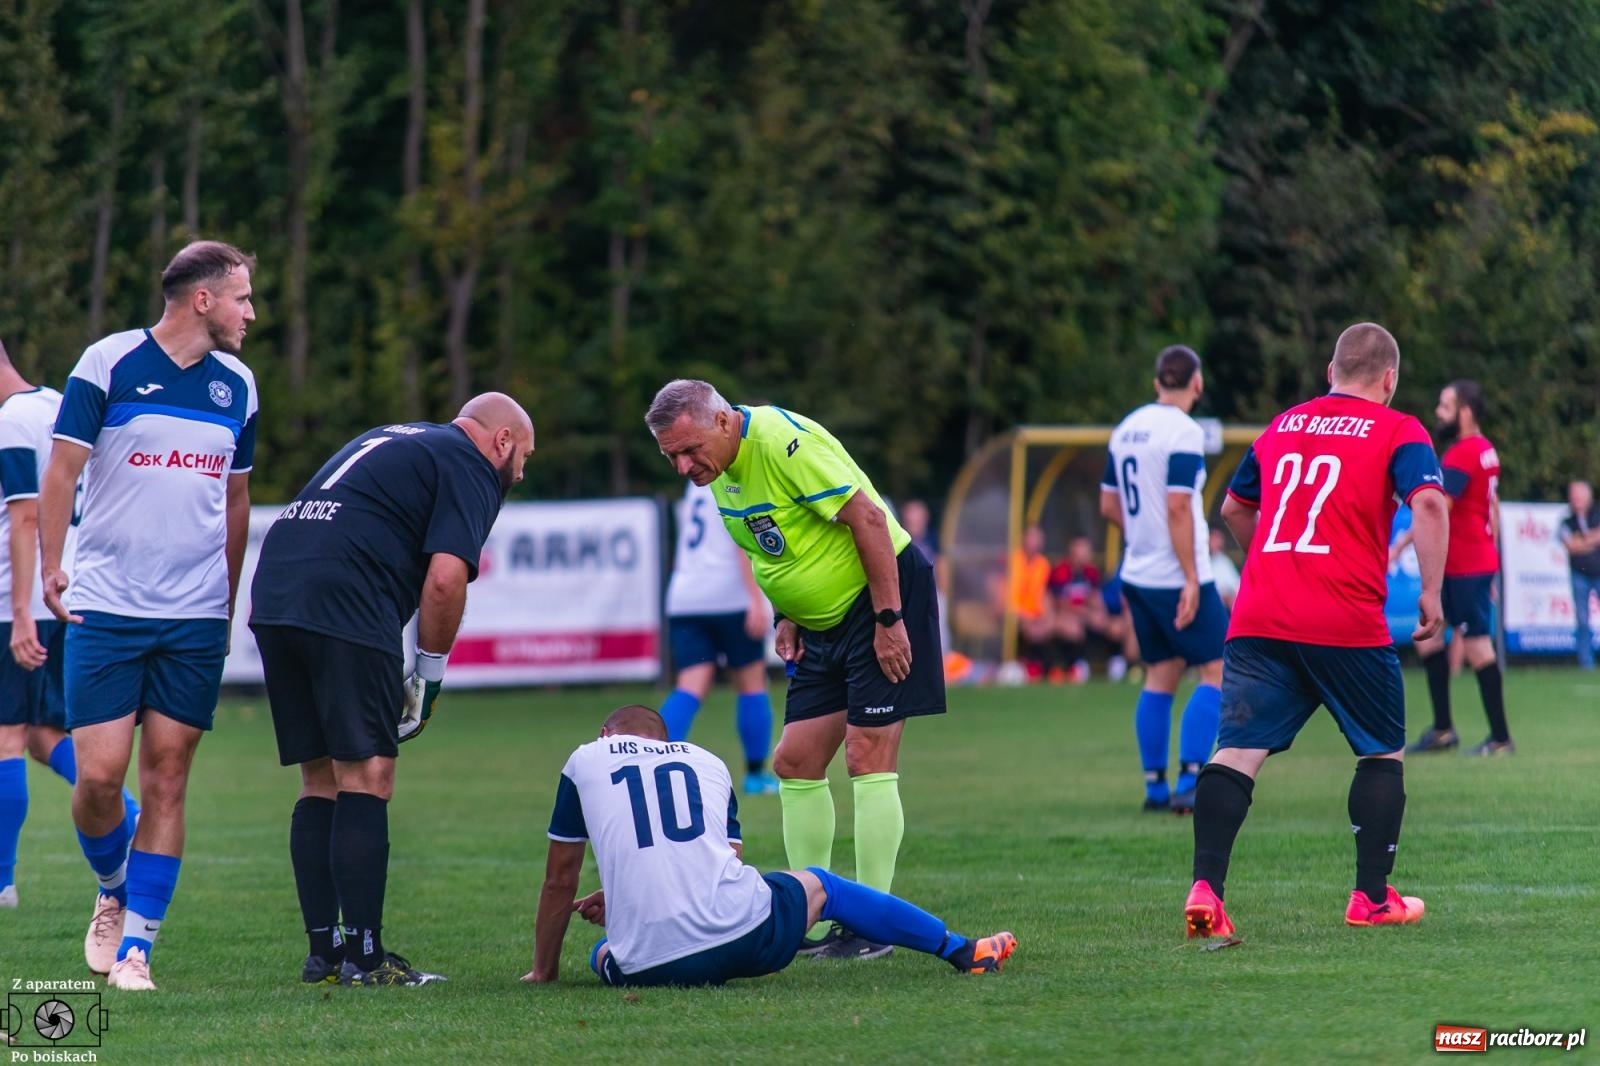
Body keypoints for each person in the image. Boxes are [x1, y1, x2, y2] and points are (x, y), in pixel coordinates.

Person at [645, 380, 944, 960]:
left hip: (877, 599)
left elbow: (868, 520)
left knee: (867, 755)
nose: (683, 466)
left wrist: (889, 618)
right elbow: (772, 549)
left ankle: (872, 924)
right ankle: (806, 918)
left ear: (724, 422)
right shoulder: (720, 472)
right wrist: (788, 614)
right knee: (795, 761)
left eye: (688, 450)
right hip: (819, 624)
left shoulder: (783, 443)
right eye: (670, 457)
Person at [248, 393, 534, 988]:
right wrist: (428, 677)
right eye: (523, 457)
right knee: (369, 775)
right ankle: (366, 959)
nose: (521, 472)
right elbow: (446, 579)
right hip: (345, 596)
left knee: (320, 777)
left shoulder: (399, 435)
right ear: (502, 441)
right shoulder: (470, 462)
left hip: (276, 589)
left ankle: (323, 953)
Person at [38, 241, 258, 991]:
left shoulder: (240, 386)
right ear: (203, 300)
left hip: (193, 618)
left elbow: (236, 500)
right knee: (99, 780)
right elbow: (61, 470)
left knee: (167, 778)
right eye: (242, 298)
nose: (250, 313)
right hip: (106, 608)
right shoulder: (107, 363)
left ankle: (138, 950)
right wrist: (50, 563)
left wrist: (225, 604)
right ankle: (111, 885)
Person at [1183, 322, 1448, 939]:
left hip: (1260, 615)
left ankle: (1206, 890)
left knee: (1238, 751)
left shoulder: (1284, 424)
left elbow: (1232, 508)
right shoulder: (1398, 429)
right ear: (1389, 380)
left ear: (1330, 373)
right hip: (1343, 617)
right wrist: (1432, 590)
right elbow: (1430, 504)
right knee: (1381, 750)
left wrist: (1276, 571)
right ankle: (1371, 899)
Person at [521, 704, 1015, 987]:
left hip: (648, 965)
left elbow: (560, 878)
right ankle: (960, 949)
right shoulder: (707, 761)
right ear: (666, 740)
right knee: (822, 885)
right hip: (743, 941)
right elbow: (722, 863)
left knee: (604, 951)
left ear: (605, 734)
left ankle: (606, 955)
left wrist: (544, 971)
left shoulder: (587, 758)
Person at [0, 340, 139, 909]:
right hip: (71, 593)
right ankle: (130, 815)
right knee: (41, 736)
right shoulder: (57, 404)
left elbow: (27, 515)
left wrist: (22, 614)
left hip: (20, 604)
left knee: (6, 736)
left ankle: (2, 881)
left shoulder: (10, 421)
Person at [1100, 346, 1227, 814]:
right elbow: (1177, 505)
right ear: (1197, 383)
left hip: (1137, 572)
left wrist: (1145, 538)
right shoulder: (1184, 431)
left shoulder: (1126, 428)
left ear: (1157, 383)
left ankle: (1155, 788)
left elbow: (1109, 506)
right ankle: (1191, 780)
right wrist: (1191, 577)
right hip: (1177, 576)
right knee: (1217, 670)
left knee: (1161, 674)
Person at [1406, 380, 1512, 756]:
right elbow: (1492, 507)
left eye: (1445, 405)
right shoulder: (1487, 451)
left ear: (1465, 411)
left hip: (1466, 567)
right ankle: (1442, 730)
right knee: (1430, 639)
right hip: (1469, 564)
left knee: (1477, 647)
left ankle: (1500, 739)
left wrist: (1398, 546)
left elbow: (1438, 509)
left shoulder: (1462, 455)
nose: (1438, 412)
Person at [660, 479, 779, 795]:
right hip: (729, 596)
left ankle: (652, 764)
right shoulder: (734, 477)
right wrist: (756, 599)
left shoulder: (693, 483)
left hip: (685, 597)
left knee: (690, 685)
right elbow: (742, 540)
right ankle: (755, 776)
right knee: (752, 683)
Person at [1559, 480, 1600, 670]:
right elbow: (1570, 546)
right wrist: (1591, 539)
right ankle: (1586, 664)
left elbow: (1577, 543)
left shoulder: (1597, 513)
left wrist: (1581, 540)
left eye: (1579, 496)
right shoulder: (1566, 521)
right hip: (1579, 576)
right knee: (1582, 620)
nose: (1576, 500)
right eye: (1573, 496)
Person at [1006, 525, 1056, 679]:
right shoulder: (1013, 560)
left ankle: (1049, 669)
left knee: (1053, 624)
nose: (1035, 541)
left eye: (1038, 538)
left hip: (1035, 614)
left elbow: (1044, 594)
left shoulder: (1043, 564)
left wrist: (1048, 617)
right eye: (1032, 537)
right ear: (1024, 538)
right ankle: (1027, 667)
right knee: (1028, 627)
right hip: (1013, 612)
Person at [1207, 527, 1241, 611]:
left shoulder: (1224, 561)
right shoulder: (1203, 561)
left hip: (1227, 604)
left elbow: (1236, 584)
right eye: (1214, 540)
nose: (1217, 544)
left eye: (1219, 540)